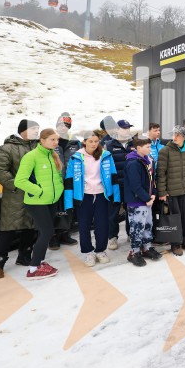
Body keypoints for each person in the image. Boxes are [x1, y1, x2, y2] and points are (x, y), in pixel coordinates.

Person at [0, 119, 39, 279]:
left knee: (30, 225)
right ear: (23, 130)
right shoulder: (8, 148)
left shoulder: (38, 146)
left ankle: (25, 256)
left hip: (35, 193)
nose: (37, 132)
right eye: (34, 129)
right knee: (9, 227)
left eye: (38, 129)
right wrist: (17, 186)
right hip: (15, 195)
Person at [14, 128, 65, 280]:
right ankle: (33, 268)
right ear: (42, 140)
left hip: (51, 200)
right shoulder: (31, 156)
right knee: (47, 232)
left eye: (57, 140)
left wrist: (59, 189)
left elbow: (56, 178)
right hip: (37, 202)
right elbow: (19, 181)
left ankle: (40, 262)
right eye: (52, 140)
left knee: (45, 232)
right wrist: (39, 191)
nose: (56, 143)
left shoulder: (52, 155)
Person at [65, 130, 121, 266]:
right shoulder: (76, 157)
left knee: (102, 225)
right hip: (84, 196)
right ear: (84, 142)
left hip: (102, 195)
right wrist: (68, 203)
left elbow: (114, 176)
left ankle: (100, 250)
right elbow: (69, 180)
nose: (94, 144)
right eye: (91, 141)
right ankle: (88, 252)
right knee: (84, 226)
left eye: (96, 141)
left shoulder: (106, 155)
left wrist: (116, 197)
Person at [157, 126, 185, 255]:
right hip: (172, 192)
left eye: (178, 135)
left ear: (184, 137)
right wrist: (162, 192)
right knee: (175, 219)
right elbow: (161, 173)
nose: (174, 137)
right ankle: (175, 244)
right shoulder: (165, 151)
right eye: (173, 134)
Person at [123, 137, 162, 266]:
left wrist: (153, 194)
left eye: (150, 147)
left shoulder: (146, 160)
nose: (149, 149)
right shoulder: (133, 163)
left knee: (147, 225)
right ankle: (134, 252)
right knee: (137, 227)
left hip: (147, 200)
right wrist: (147, 198)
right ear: (138, 148)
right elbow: (135, 185)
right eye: (147, 147)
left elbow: (151, 180)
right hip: (137, 201)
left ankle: (146, 248)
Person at [50, 112, 81, 249]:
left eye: (67, 125)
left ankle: (65, 233)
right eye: (61, 124)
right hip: (52, 182)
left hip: (70, 181)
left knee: (68, 208)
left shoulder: (75, 142)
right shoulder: (49, 140)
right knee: (53, 210)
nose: (64, 127)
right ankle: (52, 237)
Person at [104, 119, 134, 250]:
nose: (127, 130)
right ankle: (112, 237)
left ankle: (131, 233)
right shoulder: (109, 145)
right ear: (117, 130)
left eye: (128, 127)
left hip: (130, 185)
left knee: (131, 211)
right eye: (124, 128)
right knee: (113, 213)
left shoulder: (134, 143)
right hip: (115, 185)